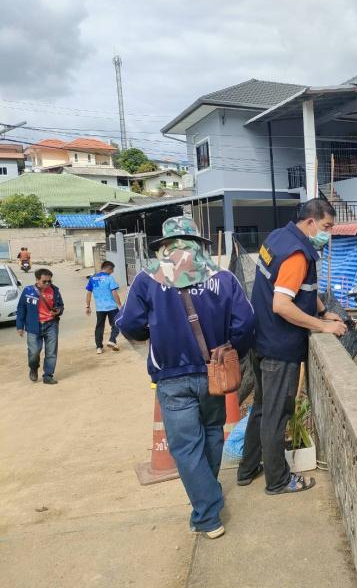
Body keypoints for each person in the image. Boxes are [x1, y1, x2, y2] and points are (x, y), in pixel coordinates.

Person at [116, 216, 255, 539]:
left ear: (165, 245)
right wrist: (230, 349)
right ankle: (208, 498)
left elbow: (130, 324)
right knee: (212, 433)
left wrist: (154, 334)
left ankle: (207, 515)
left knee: (185, 447)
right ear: (198, 243)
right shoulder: (223, 277)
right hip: (214, 373)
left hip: (172, 377)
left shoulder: (147, 279)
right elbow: (246, 322)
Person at [237, 198, 347, 495]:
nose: (328, 233)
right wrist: (322, 326)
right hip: (279, 346)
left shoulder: (278, 238)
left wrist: (323, 310)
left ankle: (247, 469)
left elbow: (301, 288)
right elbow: (282, 304)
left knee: (261, 408)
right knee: (276, 415)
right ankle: (278, 480)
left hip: (259, 338)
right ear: (310, 222)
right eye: (326, 226)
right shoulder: (298, 254)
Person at [16, 268, 63, 384]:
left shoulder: (55, 291)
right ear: (37, 280)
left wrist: (58, 311)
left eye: (49, 281)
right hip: (33, 326)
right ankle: (33, 368)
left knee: (51, 352)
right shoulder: (28, 291)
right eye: (44, 281)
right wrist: (20, 326)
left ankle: (48, 375)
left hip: (51, 325)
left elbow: (60, 306)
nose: (47, 283)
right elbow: (21, 308)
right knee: (33, 352)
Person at [85, 261, 122, 354]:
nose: (112, 272)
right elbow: (114, 293)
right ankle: (112, 340)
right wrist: (120, 305)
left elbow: (89, 293)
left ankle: (99, 347)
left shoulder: (92, 278)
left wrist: (88, 306)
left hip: (100, 308)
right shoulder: (109, 278)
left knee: (99, 327)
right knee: (116, 324)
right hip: (112, 307)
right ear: (108, 268)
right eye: (112, 270)